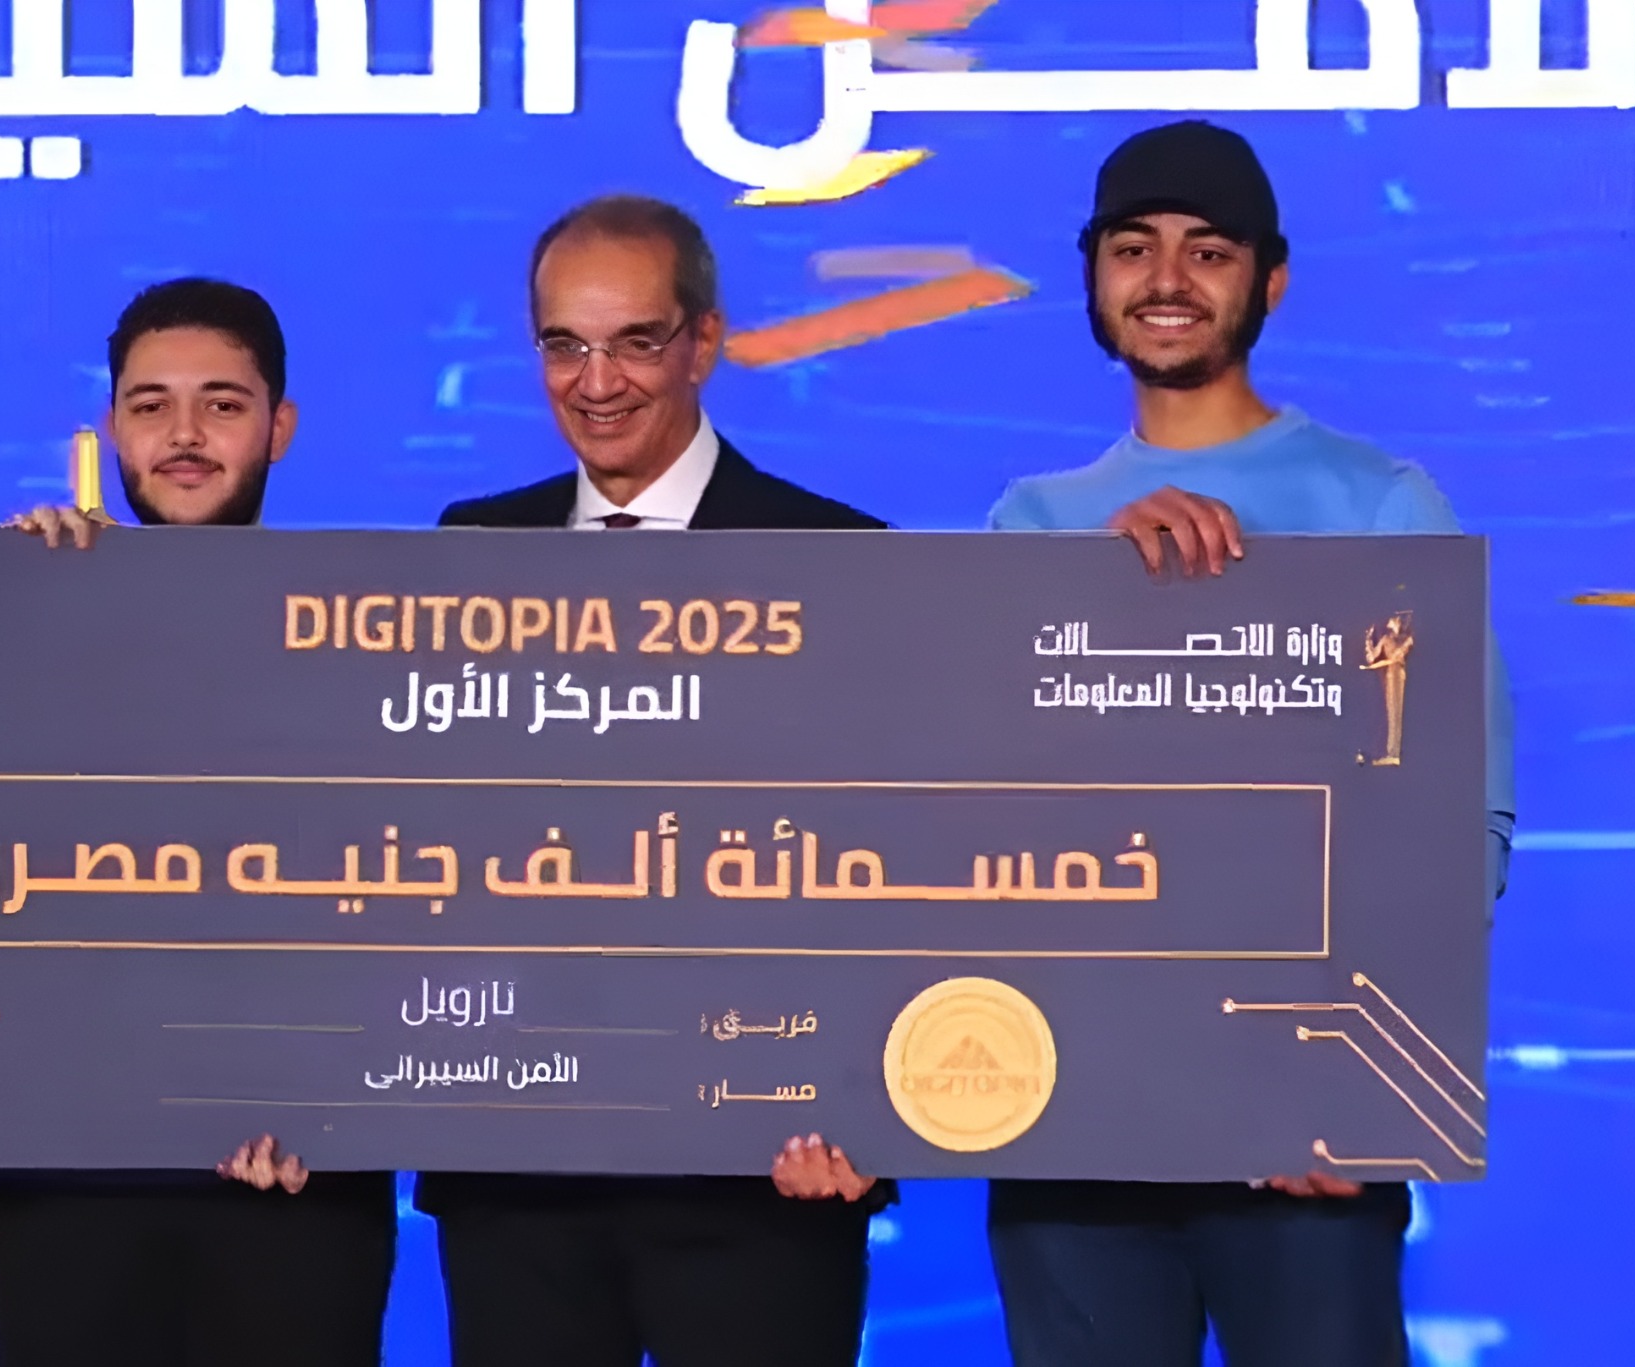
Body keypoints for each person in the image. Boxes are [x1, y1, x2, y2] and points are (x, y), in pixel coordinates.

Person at [983, 119, 1517, 1367]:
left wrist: (1362, 1088)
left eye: (1207, 250)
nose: (1166, 279)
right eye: (1133, 248)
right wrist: (1089, 597)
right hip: (1077, 1122)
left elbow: (1462, 823)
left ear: (1268, 281)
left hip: (1302, 1135)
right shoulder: (1028, 525)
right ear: (1093, 277)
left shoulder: (1379, 503)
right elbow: (986, 820)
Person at [424, 195, 891, 1367]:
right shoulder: (465, 553)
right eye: (563, 345)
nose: (596, 383)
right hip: (519, 1173)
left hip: (764, 1174)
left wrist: (870, 1110)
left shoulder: (842, 561)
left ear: (704, 340)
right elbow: (420, 842)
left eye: (634, 341)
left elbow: (895, 864)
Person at [0, 278, 398, 1367]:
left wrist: (341, 1114)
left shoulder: (373, 649)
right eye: (150, 405)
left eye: (221, 404)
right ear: (111, 428)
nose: (183, 434)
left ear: (280, 426)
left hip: (298, 1181)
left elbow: (415, 906)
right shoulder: (23, 612)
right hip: (66, 1179)